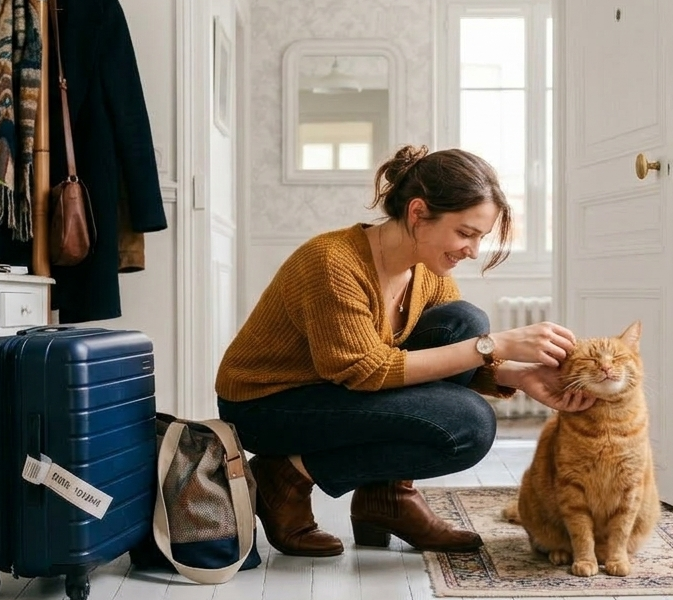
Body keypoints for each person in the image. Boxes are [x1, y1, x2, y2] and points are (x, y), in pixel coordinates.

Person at [215, 145, 596, 557]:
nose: (472, 251)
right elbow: (367, 371)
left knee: (464, 321)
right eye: (465, 233)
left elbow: (460, 350)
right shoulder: (332, 262)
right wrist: (496, 345)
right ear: (418, 213)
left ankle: (387, 497)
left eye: (479, 238)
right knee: (468, 423)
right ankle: (284, 475)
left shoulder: (426, 273)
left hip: (338, 393)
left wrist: (518, 376)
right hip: (267, 405)